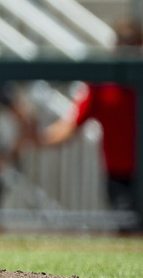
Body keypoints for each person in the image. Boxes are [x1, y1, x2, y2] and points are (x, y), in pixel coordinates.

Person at [38, 17, 141, 220]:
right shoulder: (100, 85)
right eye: (122, 42)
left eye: (132, 43)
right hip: (118, 175)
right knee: (128, 232)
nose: (126, 49)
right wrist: (36, 138)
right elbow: (70, 126)